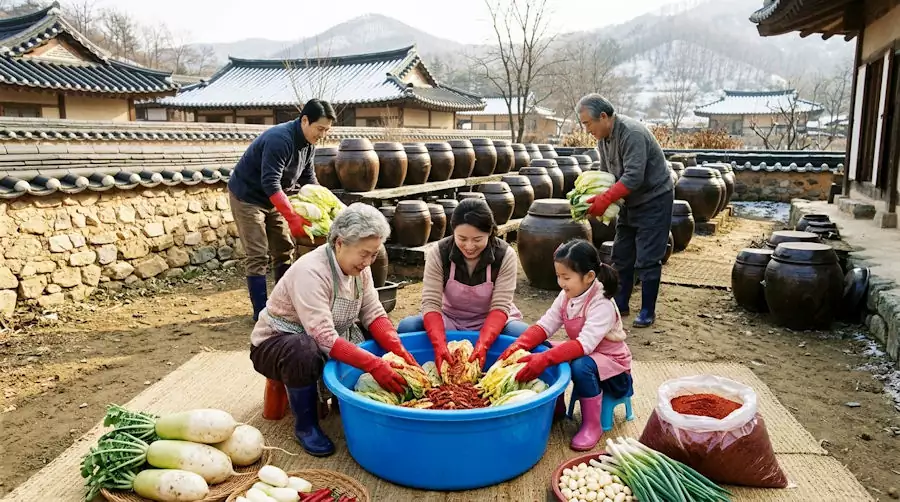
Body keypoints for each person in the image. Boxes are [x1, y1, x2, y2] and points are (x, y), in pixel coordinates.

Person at [249, 203, 418, 457]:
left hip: (331, 334)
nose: (369, 261)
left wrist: (398, 349)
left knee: (379, 336)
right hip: (278, 344)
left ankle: (353, 398)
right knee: (303, 350)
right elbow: (323, 337)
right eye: (364, 254)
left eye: (374, 254)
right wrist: (373, 365)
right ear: (339, 243)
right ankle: (306, 426)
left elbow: (373, 312)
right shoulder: (312, 271)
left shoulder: (361, 268)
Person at [500, 239, 633, 451]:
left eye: (566, 277)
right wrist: (519, 345)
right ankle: (556, 406)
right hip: (585, 353)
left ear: (589, 276)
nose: (561, 282)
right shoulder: (567, 295)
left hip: (613, 372)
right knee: (543, 348)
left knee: (578, 364)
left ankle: (592, 424)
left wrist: (544, 359)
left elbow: (585, 345)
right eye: (558, 276)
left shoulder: (602, 303)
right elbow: (546, 324)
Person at [229, 99, 337, 321]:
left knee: (284, 249)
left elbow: (308, 178)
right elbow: (270, 182)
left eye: (326, 130)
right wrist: (292, 217)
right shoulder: (280, 139)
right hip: (248, 197)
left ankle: (282, 305)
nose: (322, 134)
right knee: (258, 253)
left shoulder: (309, 144)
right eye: (320, 129)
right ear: (305, 120)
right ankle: (261, 313)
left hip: (275, 197)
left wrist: (324, 204)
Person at [576, 93, 674, 328]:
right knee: (622, 254)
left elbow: (633, 177)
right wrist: (595, 200)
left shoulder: (632, 133)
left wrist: (606, 198)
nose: (587, 129)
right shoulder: (603, 138)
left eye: (588, 123)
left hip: (654, 199)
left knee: (648, 257)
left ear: (603, 116)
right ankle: (620, 303)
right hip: (629, 201)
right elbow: (606, 175)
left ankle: (648, 311)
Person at [397, 198, 528, 372]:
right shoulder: (439, 252)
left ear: (489, 233)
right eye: (462, 238)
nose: (469, 246)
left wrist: (483, 345)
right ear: (453, 232)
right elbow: (431, 303)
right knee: (408, 327)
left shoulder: (505, 255)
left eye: (477, 239)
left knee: (522, 335)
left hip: (490, 319)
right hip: (449, 318)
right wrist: (439, 345)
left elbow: (500, 306)